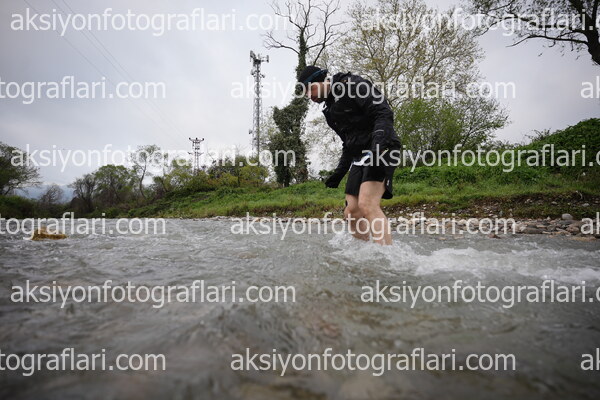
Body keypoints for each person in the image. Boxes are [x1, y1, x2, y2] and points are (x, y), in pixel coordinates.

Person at [298, 66, 402, 245]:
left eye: (310, 88)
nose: (309, 95)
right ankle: (363, 252)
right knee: (351, 213)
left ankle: (386, 256)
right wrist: (339, 172)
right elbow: (348, 143)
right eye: (305, 92)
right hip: (360, 156)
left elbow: (384, 112)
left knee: (367, 204)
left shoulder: (353, 84)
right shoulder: (330, 111)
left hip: (383, 146)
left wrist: (377, 147)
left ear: (322, 80)